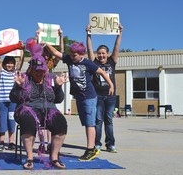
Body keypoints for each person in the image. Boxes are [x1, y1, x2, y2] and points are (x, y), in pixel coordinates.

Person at [43, 41, 114, 161]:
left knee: (89, 123)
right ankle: (91, 148)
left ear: (82, 54)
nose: (72, 57)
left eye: (74, 55)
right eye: (71, 54)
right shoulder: (69, 60)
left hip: (89, 97)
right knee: (85, 122)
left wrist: (111, 84)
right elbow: (55, 52)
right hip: (79, 97)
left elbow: (102, 72)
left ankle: (91, 149)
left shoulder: (88, 63)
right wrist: (46, 44)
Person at [10, 40, 68, 170]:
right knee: (28, 121)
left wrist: (58, 87)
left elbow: (58, 100)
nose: (39, 73)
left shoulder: (51, 78)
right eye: (36, 70)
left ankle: (54, 158)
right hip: (27, 109)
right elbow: (13, 98)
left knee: (61, 123)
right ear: (31, 69)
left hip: (48, 109)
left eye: (41, 70)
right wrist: (18, 87)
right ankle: (30, 158)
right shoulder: (23, 78)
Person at [86, 23, 123, 153]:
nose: (101, 55)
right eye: (99, 53)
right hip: (98, 96)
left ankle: (110, 144)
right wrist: (88, 34)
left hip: (111, 96)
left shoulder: (112, 61)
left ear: (107, 54)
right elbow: (89, 50)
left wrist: (119, 33)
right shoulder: (94, 62)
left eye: (103, 53)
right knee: (98, 120)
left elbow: (117, 47)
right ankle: (97, 144)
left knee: (109, 120)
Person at [35, 28, 64, 153]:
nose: (46, 55)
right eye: (44, 53)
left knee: (49, 119)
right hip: (38, 89)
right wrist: (37, 37)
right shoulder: (37, 61)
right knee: (39, 120)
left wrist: (61, 36)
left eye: (47, 53)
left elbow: (61, 52)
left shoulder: (52, 64)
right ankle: (42, 143)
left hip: (49, 90)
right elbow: (34, 51)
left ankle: (49, 144)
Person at [0, 42, 24, 151]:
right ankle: (1, 142)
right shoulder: (1, 72)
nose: (9, 65)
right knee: (2, 121)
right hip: (1, 101)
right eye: (7, 63)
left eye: (12, 63)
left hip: (13, 102)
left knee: (11, 121)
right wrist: (0, 47)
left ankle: (11, 142)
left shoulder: (16, 72)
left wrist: (21, 49)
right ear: (4, 64)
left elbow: (21, 60)